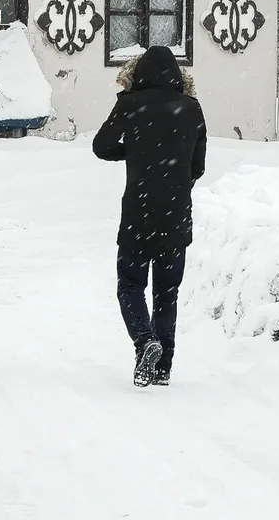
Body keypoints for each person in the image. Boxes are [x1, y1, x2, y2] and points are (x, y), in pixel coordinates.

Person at [93, 45, 207, 387]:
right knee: (166, 294)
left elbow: (101, 146)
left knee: (129, 285)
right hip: (175, 214)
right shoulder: (191, 108)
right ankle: (162, 368)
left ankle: (145, 341)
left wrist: (135, 150)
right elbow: (197, 166)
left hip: (138, 214)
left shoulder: (130, 103)